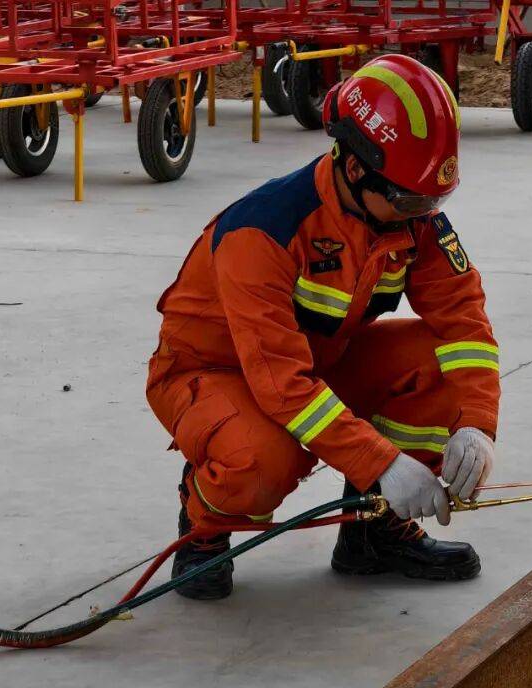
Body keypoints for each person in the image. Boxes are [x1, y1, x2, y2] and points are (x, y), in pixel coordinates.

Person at [145, 54, 500, 600]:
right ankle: (204, 528)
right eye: (411, 199)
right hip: (215, 373)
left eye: (435, 199)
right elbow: (281, 383)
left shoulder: (411, 214)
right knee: (263, 461)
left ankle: (373, 531)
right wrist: (383, 463)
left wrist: (476, 425)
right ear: (355, 169)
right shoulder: (264, 232)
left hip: (317, 362)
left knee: (439, 369)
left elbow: (464, 322)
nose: (424, 213)